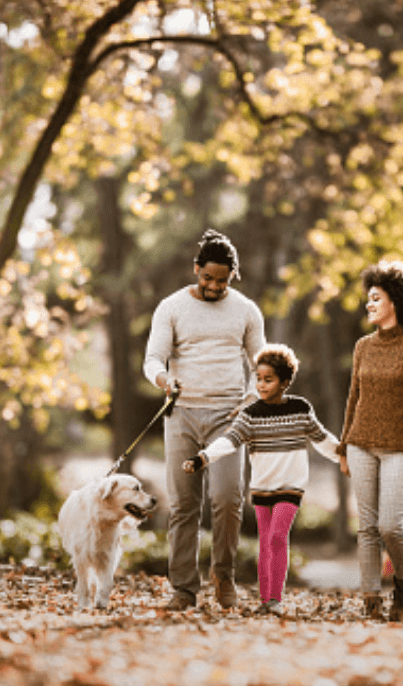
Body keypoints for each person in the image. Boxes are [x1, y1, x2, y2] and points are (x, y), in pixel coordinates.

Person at [143, 229, 266, 611]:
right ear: (196, 269)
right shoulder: (171, 307)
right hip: (182, 415)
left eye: (222, 281)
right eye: (207, 278)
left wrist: (249, 398)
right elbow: (152, 360)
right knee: (183, 504)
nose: (214, 286)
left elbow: (261, 364)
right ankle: (183, 588)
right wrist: (165, 379)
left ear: (233, 276)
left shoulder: (246, 310)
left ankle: (224, 576)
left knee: (227, 499)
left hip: (228, 419)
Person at [183, 344, 341, 616]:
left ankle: (275, 599)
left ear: (285, 382)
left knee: (278, 537)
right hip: (261, 488)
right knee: (266, 541)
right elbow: (229, 441)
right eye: (258, 378)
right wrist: (202, 458)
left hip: (290, 487)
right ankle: (265, 600)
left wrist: (345, 456)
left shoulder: (300, 408)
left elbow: (323, 439)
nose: (261, 384)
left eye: (268, 379)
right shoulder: (251, 414)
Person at [337, 259, 403, 622]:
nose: (368, 305)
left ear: (395, 301)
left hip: (399, 447)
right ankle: (371, 600)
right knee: (366, 527)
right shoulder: (363, 346)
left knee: (390, 526)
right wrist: (343, 446)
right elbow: (354, 397)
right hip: (360, 443)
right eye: (368, 299)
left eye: (375, 298)